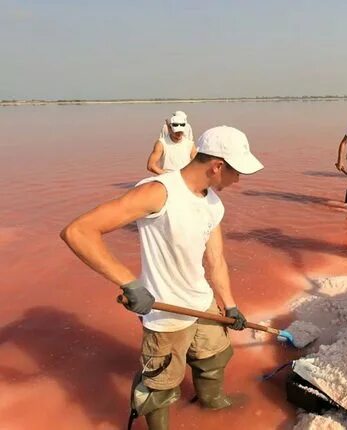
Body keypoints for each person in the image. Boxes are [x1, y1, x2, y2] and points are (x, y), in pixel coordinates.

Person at [60, 126, 263, 430]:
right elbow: (79, 232)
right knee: (160, 385)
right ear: (217, 166)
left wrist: (230, 305)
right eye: (237, 172)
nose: (239, 180)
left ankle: (213, 403)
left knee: (216, 356)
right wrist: (129, 282)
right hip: (166, 313)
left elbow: (216, 260)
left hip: (201, 301)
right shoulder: (159, 192)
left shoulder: (213, 203)